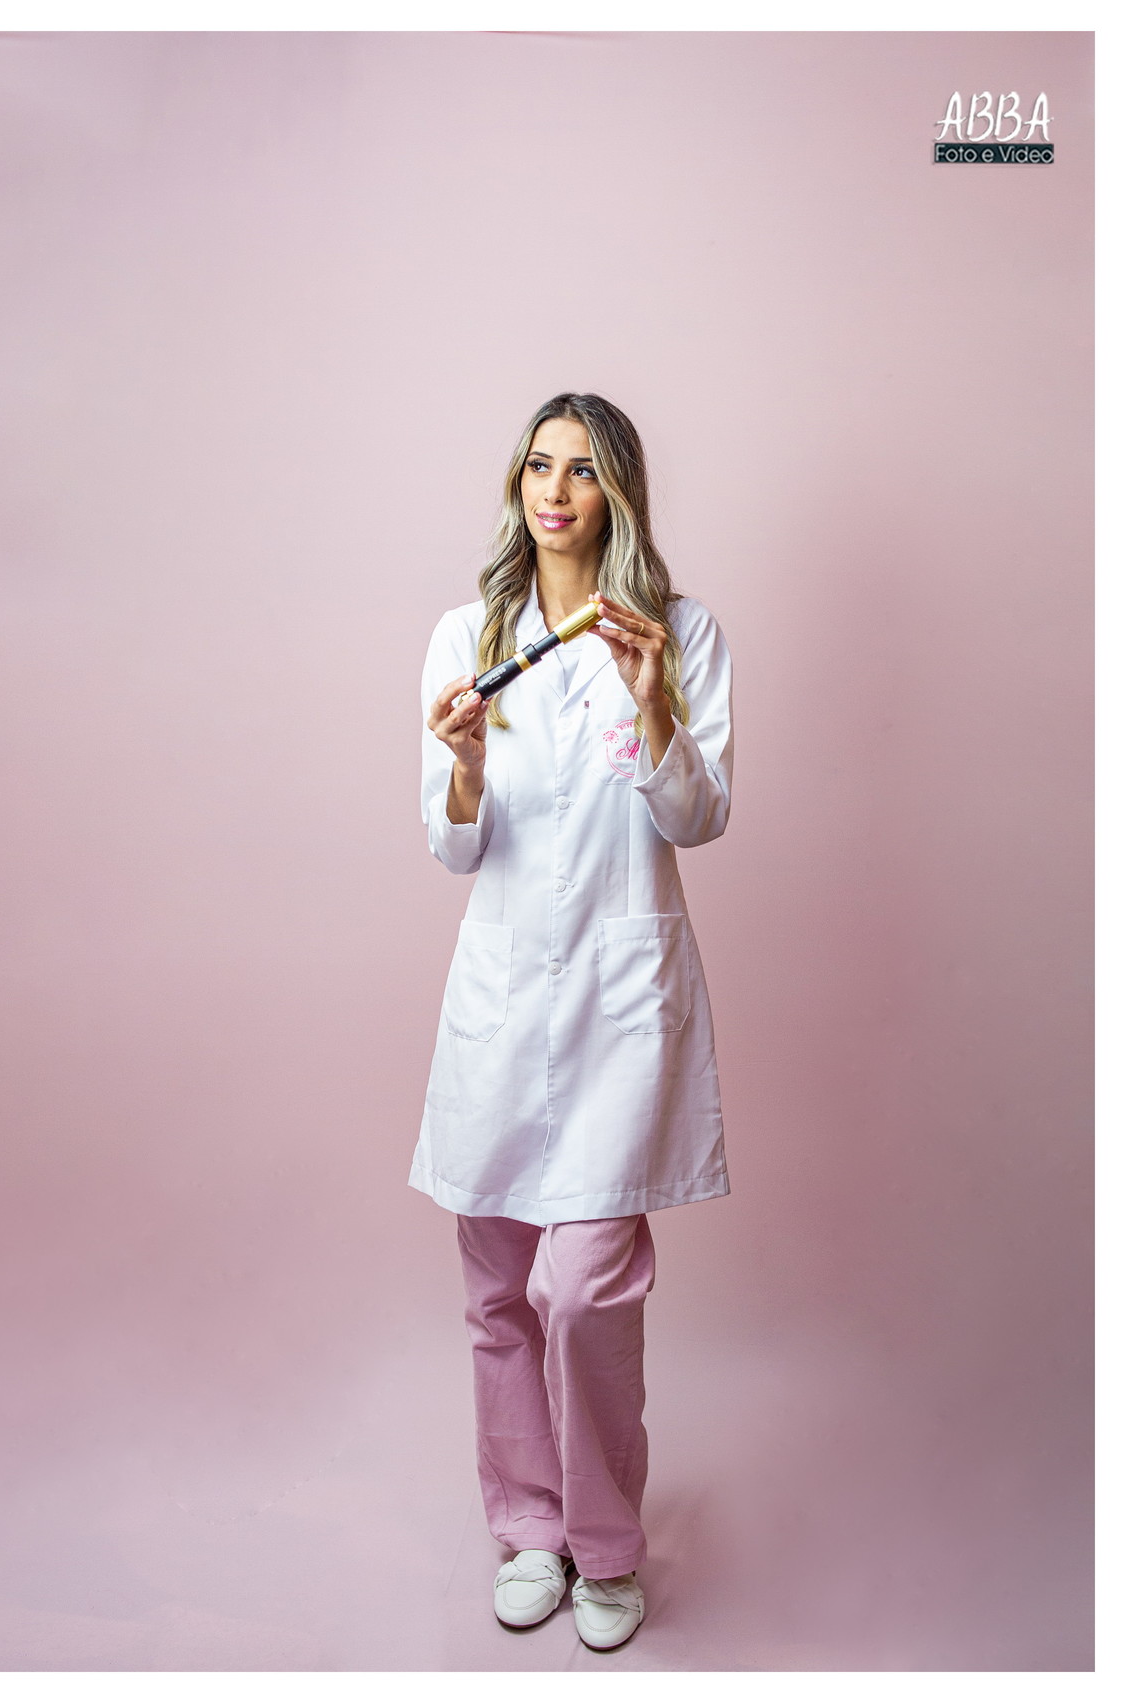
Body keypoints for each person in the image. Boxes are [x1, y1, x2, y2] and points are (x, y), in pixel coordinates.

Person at [411, 393, 733, 1651]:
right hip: (501, 1003)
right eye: (539, 466)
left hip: (618, 1005)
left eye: (583, 470)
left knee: (586, 1287)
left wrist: (654, 706)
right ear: (519, 484)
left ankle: (605, 1546)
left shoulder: (683, 633)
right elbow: (451, 845)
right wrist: (465, 764)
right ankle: (528, 1527)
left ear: (620, 493)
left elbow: (700, 817)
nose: (555, 490)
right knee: (499, 1289)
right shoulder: (467, 634)